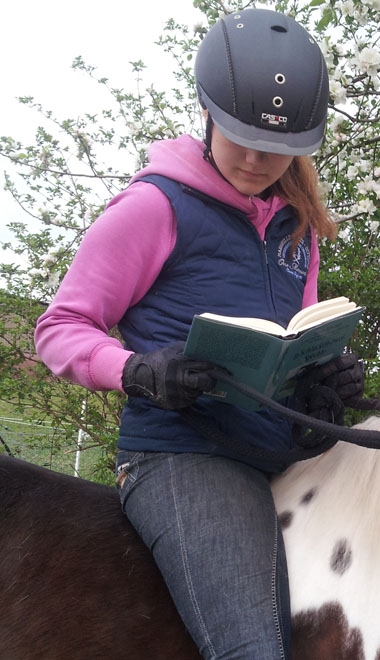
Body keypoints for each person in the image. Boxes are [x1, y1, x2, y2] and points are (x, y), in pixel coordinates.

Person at [34, 8, 362, 659]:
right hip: (186, 459)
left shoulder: (298, 227)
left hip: (281, 456)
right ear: (206, 109)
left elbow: (291, 343)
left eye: (279, 146)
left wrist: (320, 387)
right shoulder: (153, 207)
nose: (257, 157)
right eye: (241, 135)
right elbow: (59, 328)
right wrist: (136, 370)